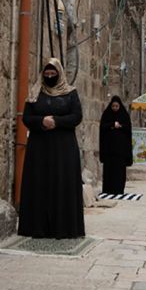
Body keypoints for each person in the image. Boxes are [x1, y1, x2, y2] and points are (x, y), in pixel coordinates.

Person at [19, 59, 85, 238]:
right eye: (46, 74)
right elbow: (26, 117)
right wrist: (41, 121)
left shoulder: (70, 93)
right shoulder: (35, 93)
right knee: (39, 184)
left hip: (63, 149)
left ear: (59, 73)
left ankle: (63, 228)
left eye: (52, 74)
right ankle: (37, 228)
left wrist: (56, 121)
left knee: (62, 184)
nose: (49, 77)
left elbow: (76, 116)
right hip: (39, 149)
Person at [98, 95, 132, 195]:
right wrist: (112, 125)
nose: (115, 108)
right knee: (109, 171)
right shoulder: (106, 114)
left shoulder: (124, 115)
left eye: (117, 106)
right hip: (109, 151)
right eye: (113, 106)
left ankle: (119, 190)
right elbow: (103, 127)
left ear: (120, 106)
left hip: (120, 151)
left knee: (119, 172)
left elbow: (128, 129)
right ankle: (108, 190)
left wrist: (120, 126)